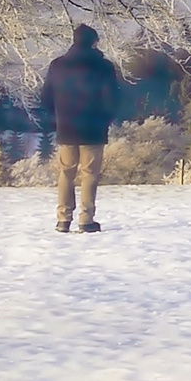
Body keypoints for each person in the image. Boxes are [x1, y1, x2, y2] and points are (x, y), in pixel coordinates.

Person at [39, 24, 124, 233]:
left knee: (66, 172)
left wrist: (55, 121)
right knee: (90, 174)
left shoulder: (57, 65)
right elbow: (111, 98)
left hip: (66, 127)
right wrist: (106, 120)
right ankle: (86, 219)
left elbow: (46, 97)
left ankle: (63, 219)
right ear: (94, 42)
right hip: (93, 128)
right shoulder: (104, 66)